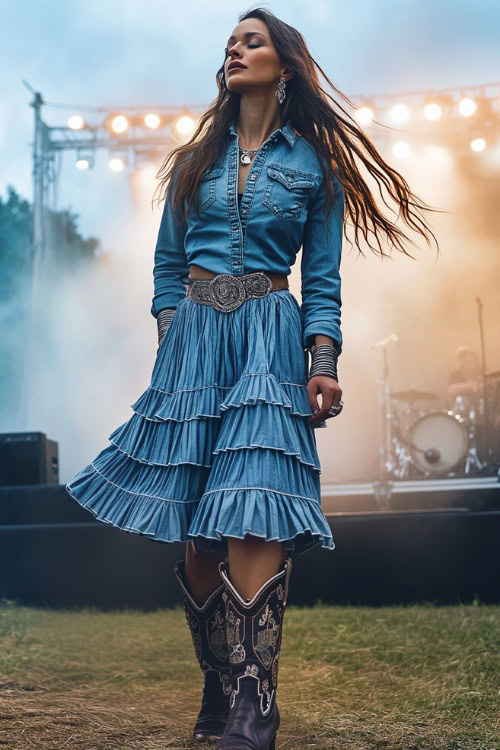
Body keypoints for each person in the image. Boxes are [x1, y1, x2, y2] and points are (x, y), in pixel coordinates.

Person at [66, 8, 440, 748]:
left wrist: (322, 362)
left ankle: (254, 699)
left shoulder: (314, 166)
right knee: (201, 535)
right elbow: (167, 268)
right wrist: (174, 339)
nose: (236, 50)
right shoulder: (191, 163)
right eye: (231, 43)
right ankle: (219, 683)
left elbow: (324, 278)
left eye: (252, 40)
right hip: (197, 342)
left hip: (271, 336)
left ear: (286, 66)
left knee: (251, 508)